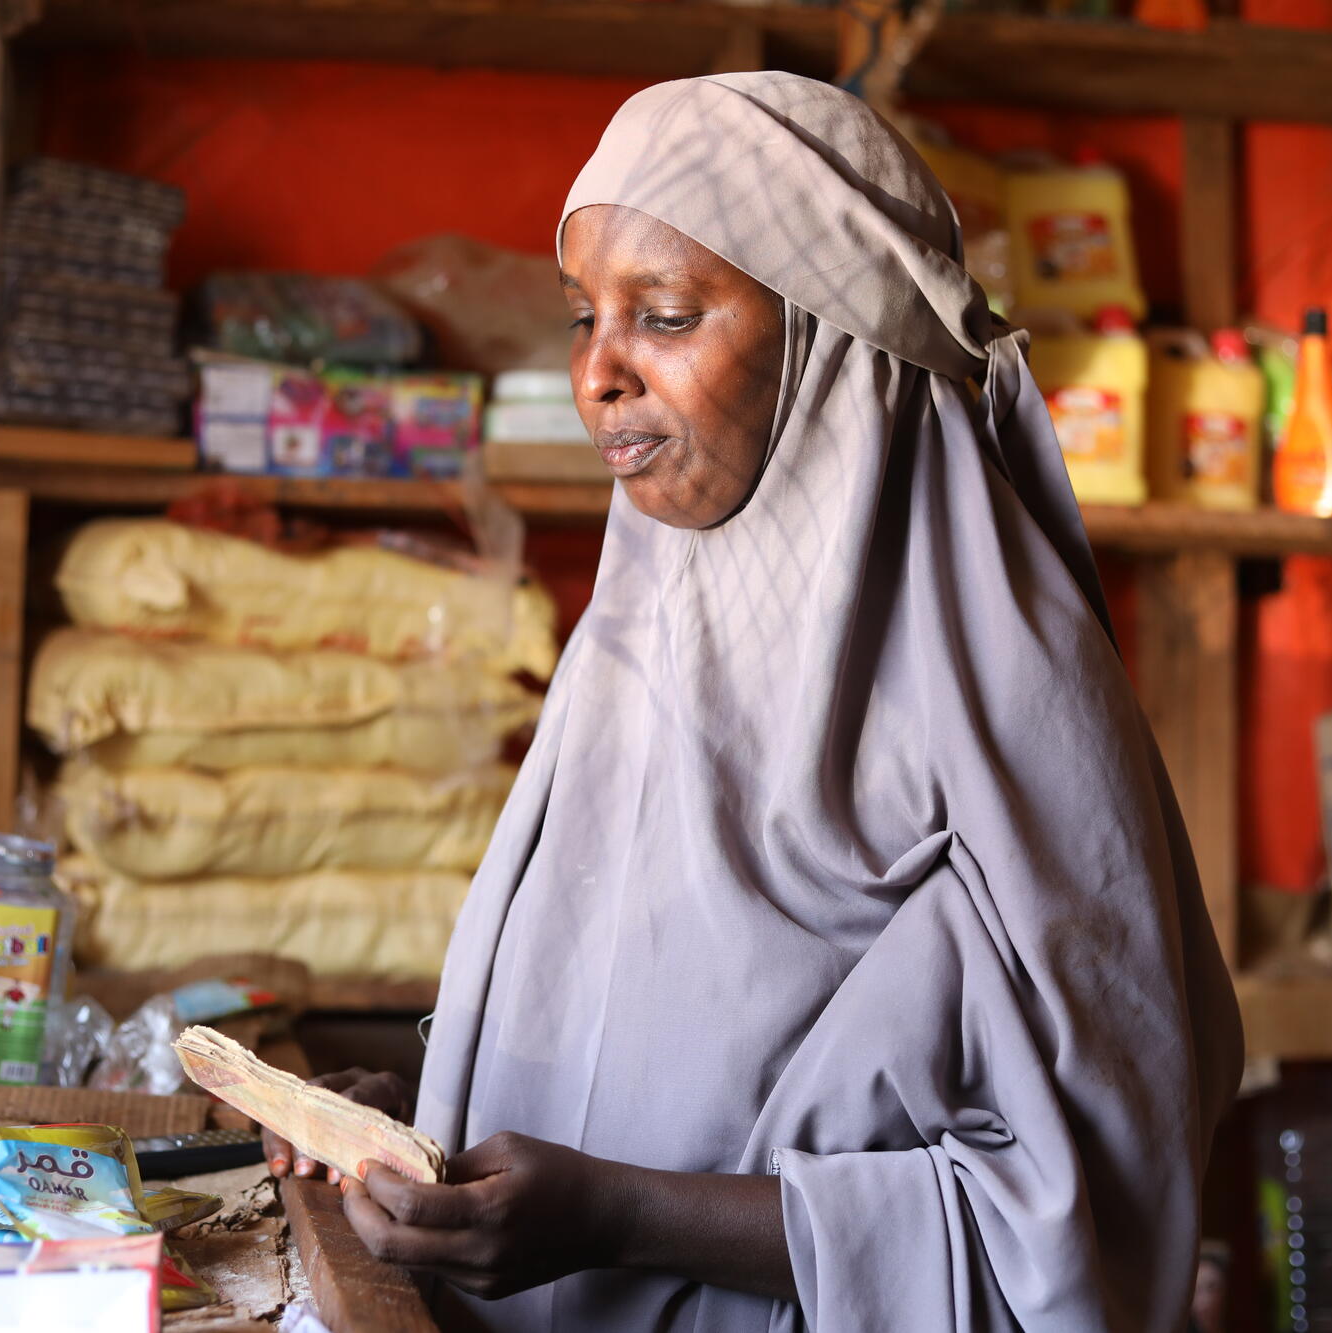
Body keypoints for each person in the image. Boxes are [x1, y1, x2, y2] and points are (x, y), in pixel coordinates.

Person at [258, 71, 1243, 1330]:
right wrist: (414, 1121)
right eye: (580, 317)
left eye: (662, 315)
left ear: (827, 346)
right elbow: (639, 1029)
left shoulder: (1002, 712)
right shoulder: (636, 648)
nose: (598, 372)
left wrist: (619, 1217)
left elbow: (1091, 1217)